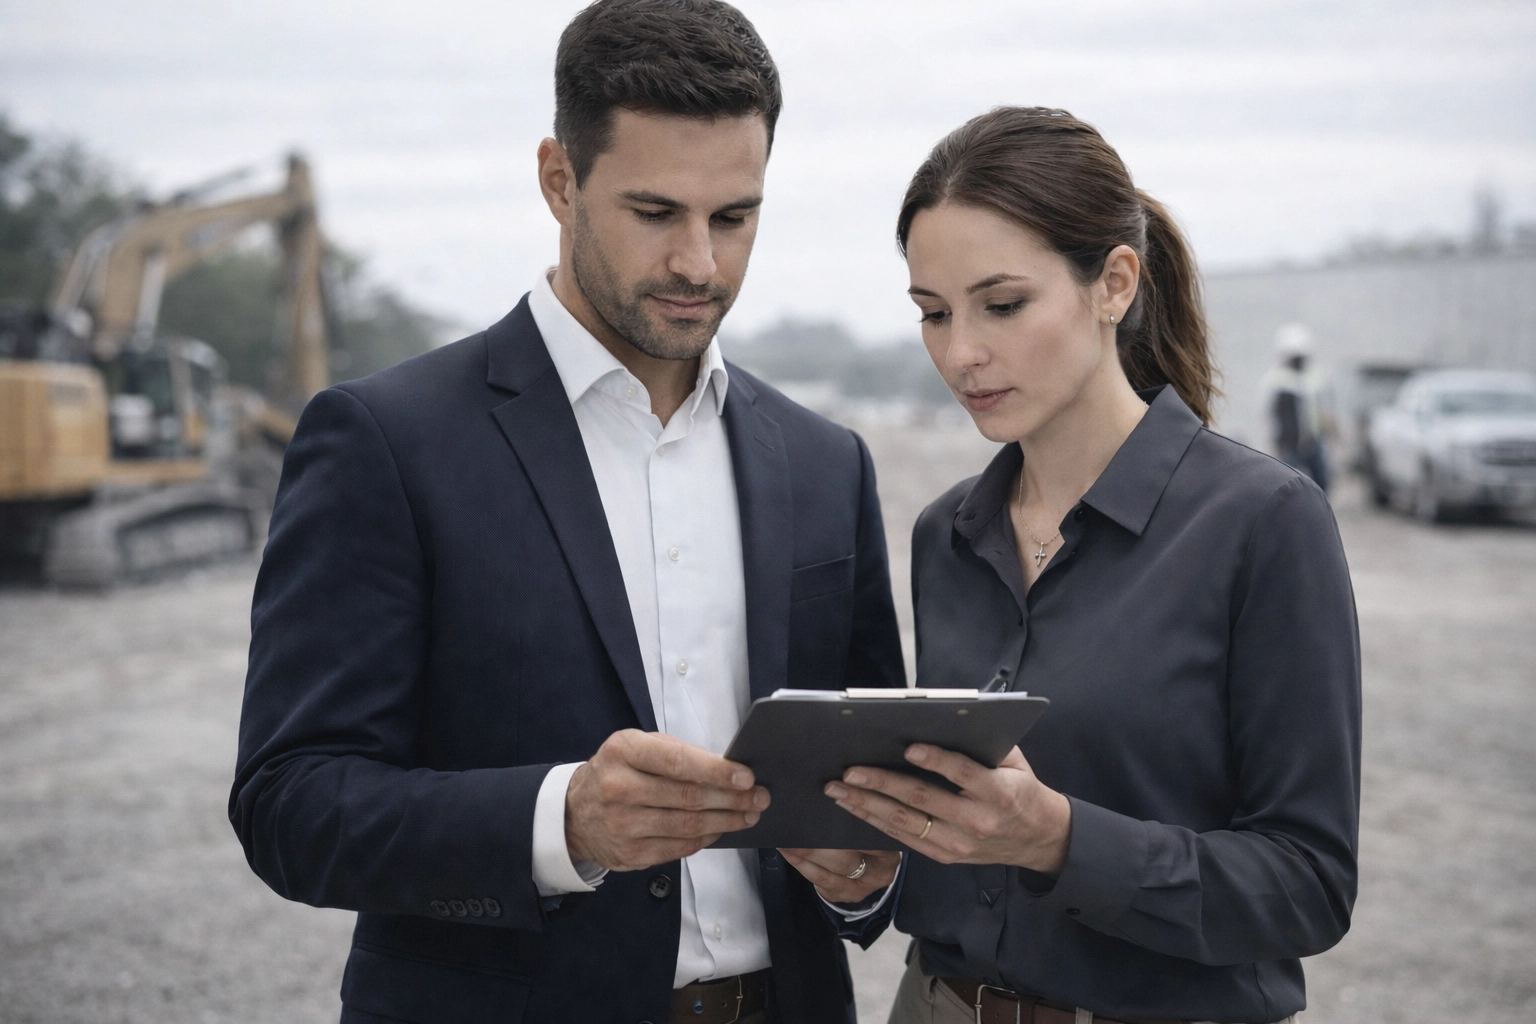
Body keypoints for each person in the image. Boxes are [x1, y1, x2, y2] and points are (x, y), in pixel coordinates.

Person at [228, 3, 904, 1022]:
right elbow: (292, 804)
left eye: (733, 217)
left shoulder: (824, 461)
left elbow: (870, 796)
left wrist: (868, 873)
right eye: (654, 212)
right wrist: (562, 822)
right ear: (559, 179)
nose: (698, 264)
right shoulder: (385, 440)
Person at [822, 107, 1361, 1024]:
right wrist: (867, 875)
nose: (960, 353)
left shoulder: (1264, 522)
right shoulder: (942, 535)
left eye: (1002, 305)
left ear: (1114, 283)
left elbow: (1308, 884)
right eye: (933, 314)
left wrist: (1060, 841)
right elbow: (953, 847)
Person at [1263, 323, 1335, 492]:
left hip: (1313, 441)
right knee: (1286, 481)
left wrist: (1330, 434)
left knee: (1322, 480)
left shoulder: (1315, 377)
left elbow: (1324, 408)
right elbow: (1267, 412)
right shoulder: (1276, 380)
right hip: (1290, 443)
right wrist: (1274, 440)